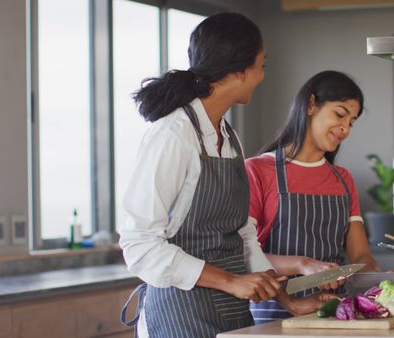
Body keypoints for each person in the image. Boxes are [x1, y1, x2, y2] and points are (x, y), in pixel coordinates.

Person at [118, 13, 330, 338]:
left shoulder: (228, 137)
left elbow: (242, 234)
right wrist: (231, 281)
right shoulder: (174, 135)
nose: (262, 76)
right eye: (262, 65)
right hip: (180, 313)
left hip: (231, 312)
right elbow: (140, 244)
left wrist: (288, 301)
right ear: (240, 71)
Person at [246, 70, 381, 324]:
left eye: (351, 122)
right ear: (310, 105)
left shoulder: (343, 179)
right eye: (340, 114)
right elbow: (244, 254)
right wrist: (304, 264)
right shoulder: (257, 171)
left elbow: (360, 256)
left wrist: (379, 278)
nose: (345, 129)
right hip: (272, 317)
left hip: (332, 315)